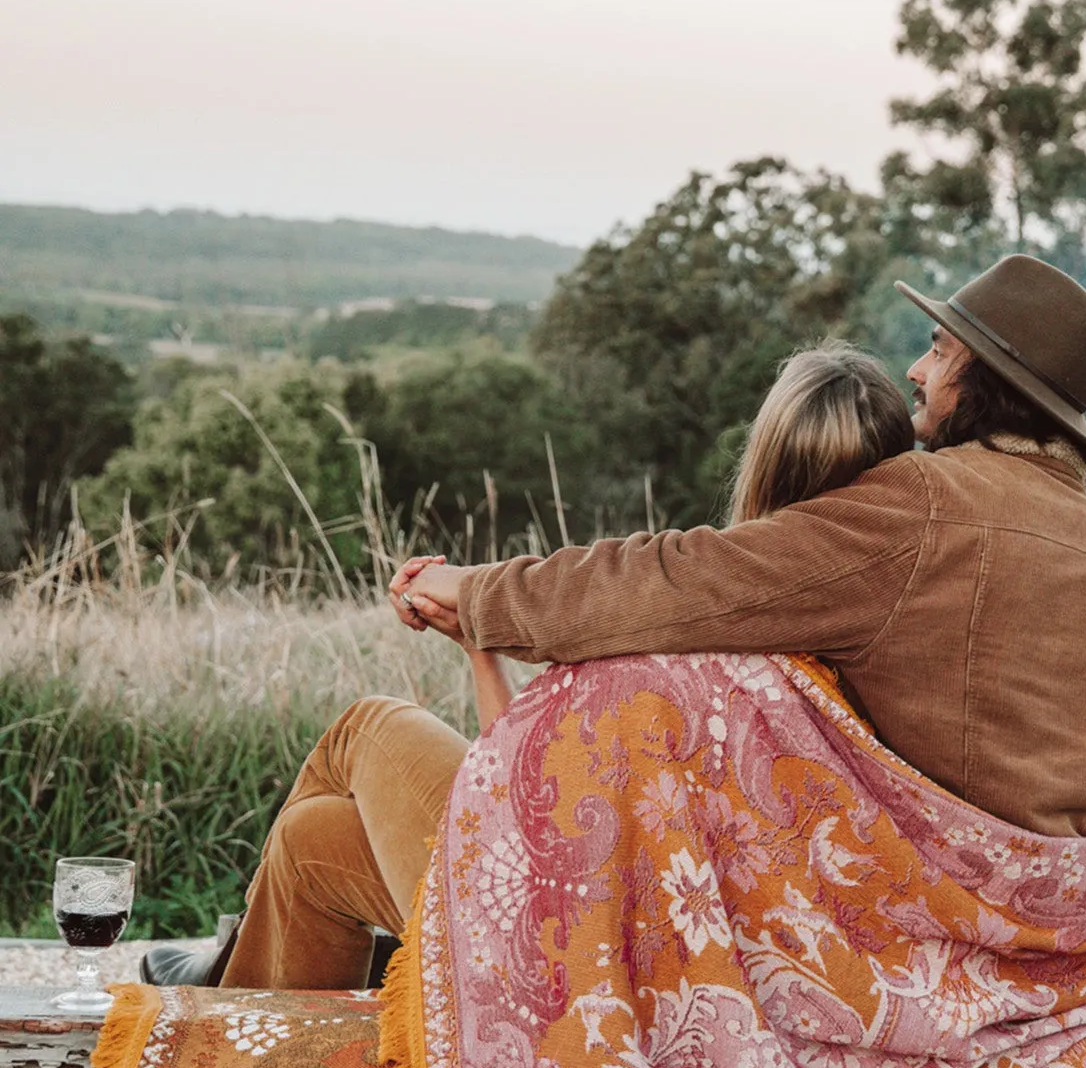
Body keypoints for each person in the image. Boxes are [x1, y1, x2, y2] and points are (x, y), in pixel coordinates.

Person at [140, 343, 917, 990]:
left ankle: (233, 970)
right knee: (315, 840)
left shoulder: (696, 615)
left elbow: (519, 790)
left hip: (554, 943)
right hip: (666, 943)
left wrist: (478, 636)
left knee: (366, 726)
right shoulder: (879, 639)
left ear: (764, 462)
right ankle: (252, 1010)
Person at [394, 254, 1086, 841]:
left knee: (356, 756)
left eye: (938, 352)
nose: (917, 369)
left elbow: (683, 578)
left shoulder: (931, 501)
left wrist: (478, 592)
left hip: (980, 899)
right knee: (315, 831)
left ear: (989, 380)